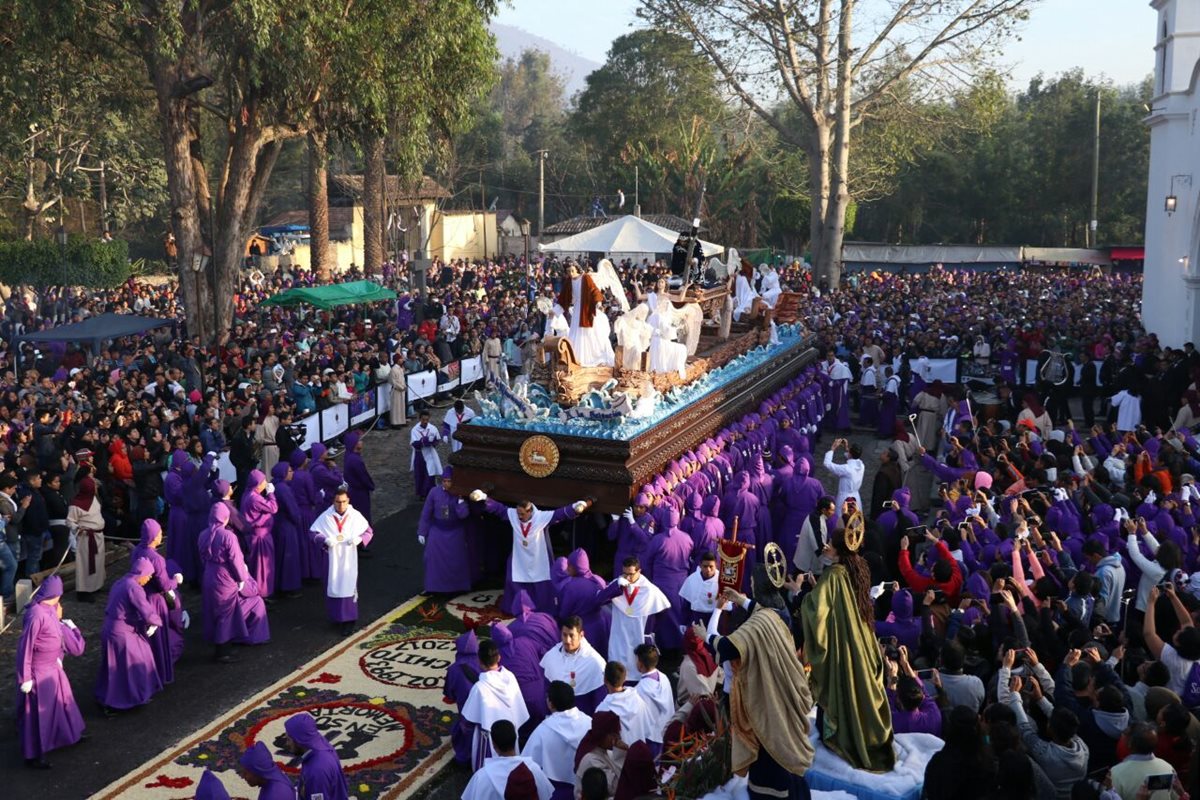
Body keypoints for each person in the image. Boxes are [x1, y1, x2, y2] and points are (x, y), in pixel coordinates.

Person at [700, 563, 816, 798]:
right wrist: (740, 600)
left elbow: (728, 646)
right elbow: (762, 610)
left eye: (752, 584)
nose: (750, 587)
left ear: (759, 587)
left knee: (772, 753)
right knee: (788, 750)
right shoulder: (779, 612)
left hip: (769, 701)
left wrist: (707, 637)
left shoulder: (755, 626)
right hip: (785, 695)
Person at [800, 513, 895, 773]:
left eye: (831, 544)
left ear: (839, 549)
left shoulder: (833, 576)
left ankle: (840, 735)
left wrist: (803, 594)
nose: (827, 547)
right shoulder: (858, 567)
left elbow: (816, 613)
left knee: (844, 690)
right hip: (862, 640)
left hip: (843, 647)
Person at [473, 489, 590, 614]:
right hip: (520, 557)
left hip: (538, 558)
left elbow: (560, 514)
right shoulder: (514, 515)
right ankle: (514, 607)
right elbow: (499, 509)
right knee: (513, 575)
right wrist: (484, 498)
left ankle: (544, 609)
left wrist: (576, 506)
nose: (519, 516)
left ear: (530, 511)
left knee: (542, 581)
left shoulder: (541, 518)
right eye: (518, 513)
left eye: (522, 514)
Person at [16, 575, 86, 769]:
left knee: (63, 703)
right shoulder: (37, 615)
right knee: (38, 714)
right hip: (39, 671)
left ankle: (69, 734)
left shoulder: (48, 610)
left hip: (52, 666)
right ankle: (35, 753)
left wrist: (57, 656)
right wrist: (26, 677)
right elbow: (26, 647)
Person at [199, 503, 270, 663]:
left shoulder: (203, 534)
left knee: (214, 611)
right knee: (226, 612)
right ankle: (223, 651)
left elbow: (202, 557)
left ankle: (220, 647)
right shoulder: (228, 536)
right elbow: (235, 560)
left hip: (209, 574)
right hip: (225, 577)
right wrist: (240, 579)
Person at [94, 556, 164, 714]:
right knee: (134, 664)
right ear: (142, 573)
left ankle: (113, 696)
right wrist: (156, 621)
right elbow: (145, 609)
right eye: (148, 576)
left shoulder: (121, 581)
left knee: (114, 666)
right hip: (122, 633)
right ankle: (123, 699)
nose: (149, 579)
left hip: (111, 628)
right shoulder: (134, 587)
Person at [309, 487, 374, 635]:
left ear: (348, 501)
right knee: (333, 586)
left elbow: (368, 531)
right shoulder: (326, 516)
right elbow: (312, 533)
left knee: (348, 586)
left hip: (348, 557)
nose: (341, 505)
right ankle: (336, 617)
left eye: (344, 502)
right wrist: (324, 539)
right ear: (333, 501)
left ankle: (349, 619)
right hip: (332, 557)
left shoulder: (355, 516)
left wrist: (360, 539)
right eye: (338, 502)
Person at [129, 519, 186, 684]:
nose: (161, 535)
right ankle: (159, 668)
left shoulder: (136, 551)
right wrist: (176, 580)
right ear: (155, 537)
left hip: (141, 595)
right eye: (160, 532)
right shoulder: (156, 558)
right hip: (155, 599)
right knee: (160, 635)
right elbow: (164, 585)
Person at [462, 638, 531, 770]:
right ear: (499, 657)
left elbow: (468, 719)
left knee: (487, 772)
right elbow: (519, 707)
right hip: (510, 731)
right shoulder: (510, 677)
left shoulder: (480, 687)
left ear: (480, 662)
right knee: (512, 767)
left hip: (490, 739)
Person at [523, 681, 592, 800]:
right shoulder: (589, 723)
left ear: (550, 703)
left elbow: (527, 763)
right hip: (587, 789)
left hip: (554, 792)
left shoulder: (543, 730)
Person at [605, 557, 670, 676]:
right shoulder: (618, 584)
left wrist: (651, 630)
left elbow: (663, 610)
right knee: (618, 675)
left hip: (639, 638)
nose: (627, 578)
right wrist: (615, 588)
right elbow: (599, 600)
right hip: (619, 639)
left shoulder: (649, 589)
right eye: (624, 574)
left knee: (639, 675)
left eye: (631, 574)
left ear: (639, 571)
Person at [463, 720, 555, 800]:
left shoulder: (482, 776)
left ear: (494, 745)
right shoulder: (534, 769)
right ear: (515, 740)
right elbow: (546, 795)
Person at [418, 467, 472, 593]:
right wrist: (422, 531)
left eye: (449, 481)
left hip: (455, 531)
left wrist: (460, 501)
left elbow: (463, 515)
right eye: (445, 481)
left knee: (456, 560)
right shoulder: (434, 492)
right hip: (437, 530)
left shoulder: (459, 493)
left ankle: (457, 587)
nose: (447, 484)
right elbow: (426, 513)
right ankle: (431, 587)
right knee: (430, 559)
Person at [540, 616, 608, 715]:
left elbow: (600, 700)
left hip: (584, 718)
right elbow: (546, 691)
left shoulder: (595, 662)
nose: (567, 640)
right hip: (558, 717)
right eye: (564, 635)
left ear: (581, 635)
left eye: (572, 635)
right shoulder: (552, 656)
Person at [557, 261, 613, 367]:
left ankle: (594, 358)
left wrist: (598, 303)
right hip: (577, 309)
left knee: (590, 334)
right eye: (568, 271)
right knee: (576, 332)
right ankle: (577, 358)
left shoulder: (585, 278)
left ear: (577, 269)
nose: (571, 273)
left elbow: (594, 291)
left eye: (572, 270)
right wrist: (555, 311)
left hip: (587, 308)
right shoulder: (569, 281)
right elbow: (563, 298)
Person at [284, 711, 349, 800]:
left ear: (299, 741)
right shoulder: (319, 742)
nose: (287, 743)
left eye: (289, 739)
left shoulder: (316, 771)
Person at [595, 660, 654, 747]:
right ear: (625, 678)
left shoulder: (602, 710)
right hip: (637, 753)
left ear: (604, 680)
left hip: (615, 759)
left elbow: (599, 740)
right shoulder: (638, 700)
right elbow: (648, 729)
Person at [240, 469, 279, 600]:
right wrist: (271, 494)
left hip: (254, 535)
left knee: (256, 565)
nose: (266, 483)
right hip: (261, 537)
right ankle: (263, 593)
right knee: (262, 566)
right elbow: (273, 508)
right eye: (263, 481)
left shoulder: (247, 494)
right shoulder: (255, 498)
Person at [67, 472, 105, 602]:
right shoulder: (75, 504)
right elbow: (70, 521)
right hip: (86, 538)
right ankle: (84, 590)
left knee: (98, 562)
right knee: (86, 564)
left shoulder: (94, 499)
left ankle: (96, 585)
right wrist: (78, 528)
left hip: (98, 536)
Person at [573, 710, 627, 799]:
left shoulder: (607, 752)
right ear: (602, 735)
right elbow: (615, 788)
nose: (618, 738)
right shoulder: (591, 760)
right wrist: (621, 755)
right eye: (614, 734)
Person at [633, 644, 674, 757]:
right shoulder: (665, 678)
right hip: (667, 733)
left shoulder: (638, 690)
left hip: (650, 738)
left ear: (640, 664)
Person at [822, 438, 864, 516]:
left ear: (850, 454)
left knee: (842, 520)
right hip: (856, 497)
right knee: (854, 519)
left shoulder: (846, 469)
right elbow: (853, 458)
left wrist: (833, 448)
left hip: (844, 499)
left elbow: (827, 464)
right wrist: (847, 448)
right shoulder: (861, 465)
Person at [342, 430, 375, 524]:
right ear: (354, 444)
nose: (362, 442)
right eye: (359, 440)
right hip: (359, 493)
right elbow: (363, 477)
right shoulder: (355, 460)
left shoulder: (349, 455)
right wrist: (371, 486)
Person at [410, 410, 442, 499]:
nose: (425, 422)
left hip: (430, 453)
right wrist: (423, 441)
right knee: (420, 474)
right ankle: (421, 494)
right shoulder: (415, 430)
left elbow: (437, 440)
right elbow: (414, 444)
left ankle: (430, 492)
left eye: (427, 420)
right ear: (420, 419)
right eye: (423, 420)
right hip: (419, 454)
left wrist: (433, 442)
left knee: (430, 474)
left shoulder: (432, 428)